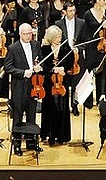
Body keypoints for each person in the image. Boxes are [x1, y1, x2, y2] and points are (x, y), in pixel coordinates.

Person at [7, 23, 43, 156]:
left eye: (30, 33)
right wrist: (23, 73)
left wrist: (39, 67)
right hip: (19, 87)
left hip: (33, 86)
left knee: (31, 114)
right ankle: (16, 144)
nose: (29, 36)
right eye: (26, 34)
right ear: (20, 34)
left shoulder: (36, 45)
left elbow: (40, 61)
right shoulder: (13, 48)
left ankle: (31, 142)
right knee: (18, 116)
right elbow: (8, 67)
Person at [39, 25, 72, 146]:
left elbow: (70, 61)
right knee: (50, 108)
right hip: (49, 83)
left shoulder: (65, 47)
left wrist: (64, 68)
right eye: (57, 37)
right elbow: (43, 66)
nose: (59, 39)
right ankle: (49, 134)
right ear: (51, 37)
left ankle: (62, 135)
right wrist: (52, 70)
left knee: (62, 108)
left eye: (60, 36)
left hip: (62, 82)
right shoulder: (45, 49)